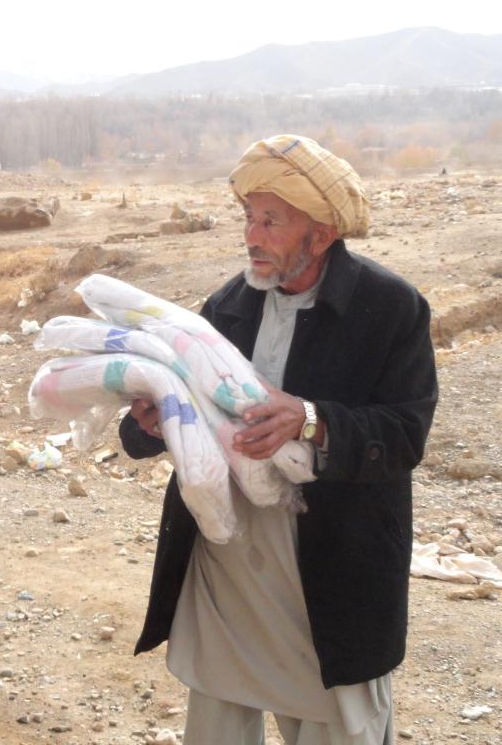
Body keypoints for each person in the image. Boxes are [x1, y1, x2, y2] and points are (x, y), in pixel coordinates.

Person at [121, 135, 438, 745]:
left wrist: (313, 420)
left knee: (336, 724)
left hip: (327, 568)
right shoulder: (228, 305)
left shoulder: (391, 308)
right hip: (228, 562)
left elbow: (405, 433)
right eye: (248, 217)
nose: (251, 235)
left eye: (271, 221)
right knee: (218, 720)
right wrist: (149, 421)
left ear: (319, 234)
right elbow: (165, 418)